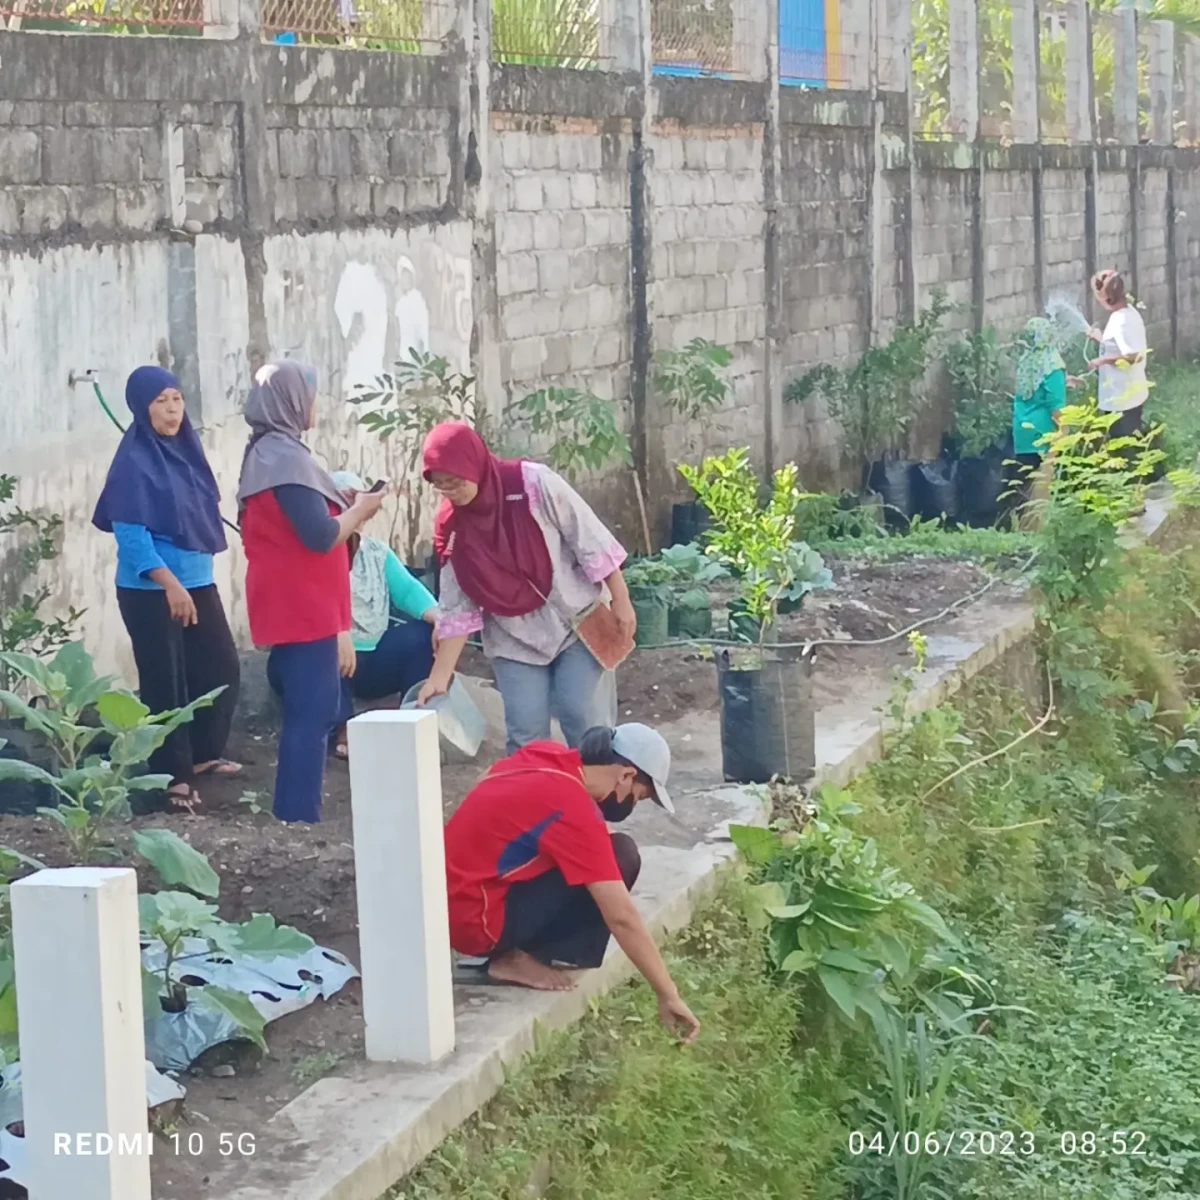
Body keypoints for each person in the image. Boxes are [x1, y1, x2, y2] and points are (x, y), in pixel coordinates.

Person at [444, 722, 700, 1042]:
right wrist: (668, 993)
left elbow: (488, 782)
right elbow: (622, 918)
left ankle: (524, 950)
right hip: (477, 923)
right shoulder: (571, 806)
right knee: (621, 857)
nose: (631, 806)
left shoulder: (547, 754)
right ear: (625, 776)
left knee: (608, 852)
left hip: (454, 899)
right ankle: (511, 958)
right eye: (638, 797)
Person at [417, 422, 634, 753]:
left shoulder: (533, 483)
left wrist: (621, 598)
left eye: (457, 481)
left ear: (473, 465)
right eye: (442, 485)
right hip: (513, 637)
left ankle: (601, 802)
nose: (452, 491)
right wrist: (438, 678)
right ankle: (539, 804)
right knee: (525, 738)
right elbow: (457, 606)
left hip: (577, 620)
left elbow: (588, 537)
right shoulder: (453, 527)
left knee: (584, 718)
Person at [236, 361, 384, 823]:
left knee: (312, 704)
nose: (315, 404)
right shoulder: (284, 459)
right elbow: (319, 535)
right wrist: (359, 512)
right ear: (291, 401)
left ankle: (295, 812)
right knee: (313, 709)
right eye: (311, 394)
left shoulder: (270, 454)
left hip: (296, 599)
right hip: (302, 603)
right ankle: (296, 815)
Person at [93, 366, 241, 814]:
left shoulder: (186, 453)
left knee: (220, 670)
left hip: (196, 582)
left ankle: (201, 754)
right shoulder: (134, 464)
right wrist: (170, 585)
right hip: (150, 591)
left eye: (176, 398)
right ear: (142, 407)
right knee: (166, 682)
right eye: (161, 401)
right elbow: (132, 537)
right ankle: (173, 779)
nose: (172, 409)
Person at [326, 470, 438, 759]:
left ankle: (411, 717)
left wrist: (439, 618)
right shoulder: (319, 550)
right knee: (321, 644)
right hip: (335, 655)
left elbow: (409, 591)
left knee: (422, 634)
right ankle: (342, 728)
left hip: (375, 657)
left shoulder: (376, 551)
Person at [1007, 316, 1067, 515]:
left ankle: (1020, 528)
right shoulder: (1052, 365)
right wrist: (1063, 433)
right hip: (1045, 435)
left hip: (1022, 433)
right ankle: (1039, 527)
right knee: (1046, 487)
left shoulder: (1026, 361)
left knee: (1024, 486)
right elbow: (1056, 406)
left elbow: (1034, 390)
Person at [1088, 269, 1149, 441]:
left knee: (1124, 449)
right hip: (1128, 396)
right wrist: (1101, 339)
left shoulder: (1121, 321)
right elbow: (1121, 345)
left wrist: (1102, 360)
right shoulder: (1127, 312)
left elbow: (1134, 356)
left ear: (1106, 298)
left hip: (1123, 400)